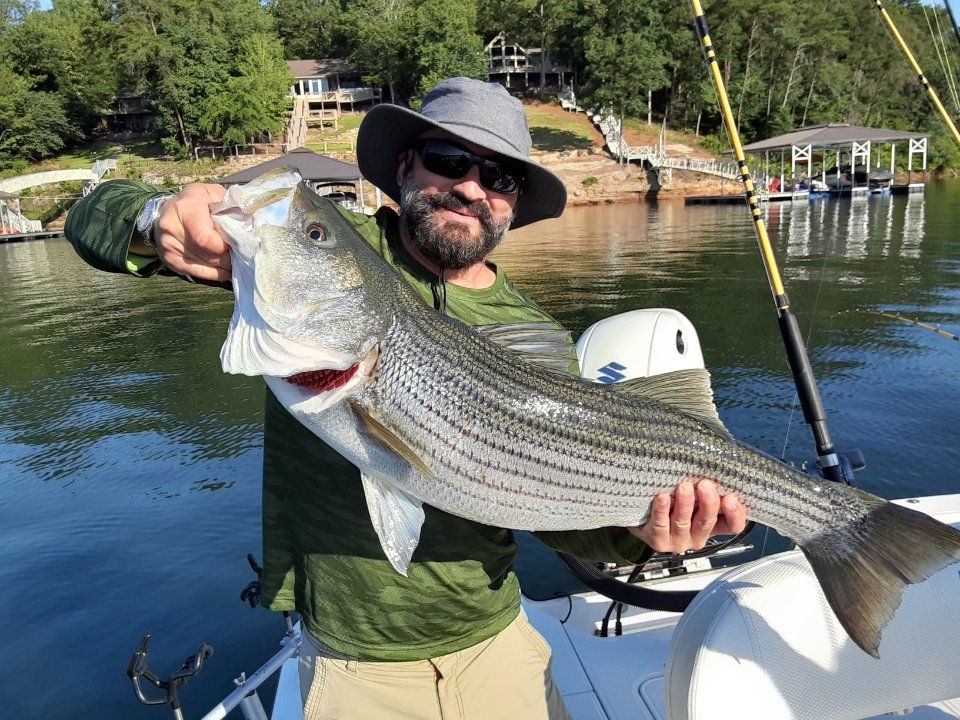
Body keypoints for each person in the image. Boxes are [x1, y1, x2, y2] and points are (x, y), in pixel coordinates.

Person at [65, 77, 745, 719]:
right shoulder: (331, 251)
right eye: (448, 159)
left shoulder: (535, 333)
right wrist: (157, 219)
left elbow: (556, 515)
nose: (471, 187)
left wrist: (641, 535)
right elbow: (92, 218)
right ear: (404, 167)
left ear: (513, 203)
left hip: (498, 640)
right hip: (354, 663)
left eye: (499, 177)